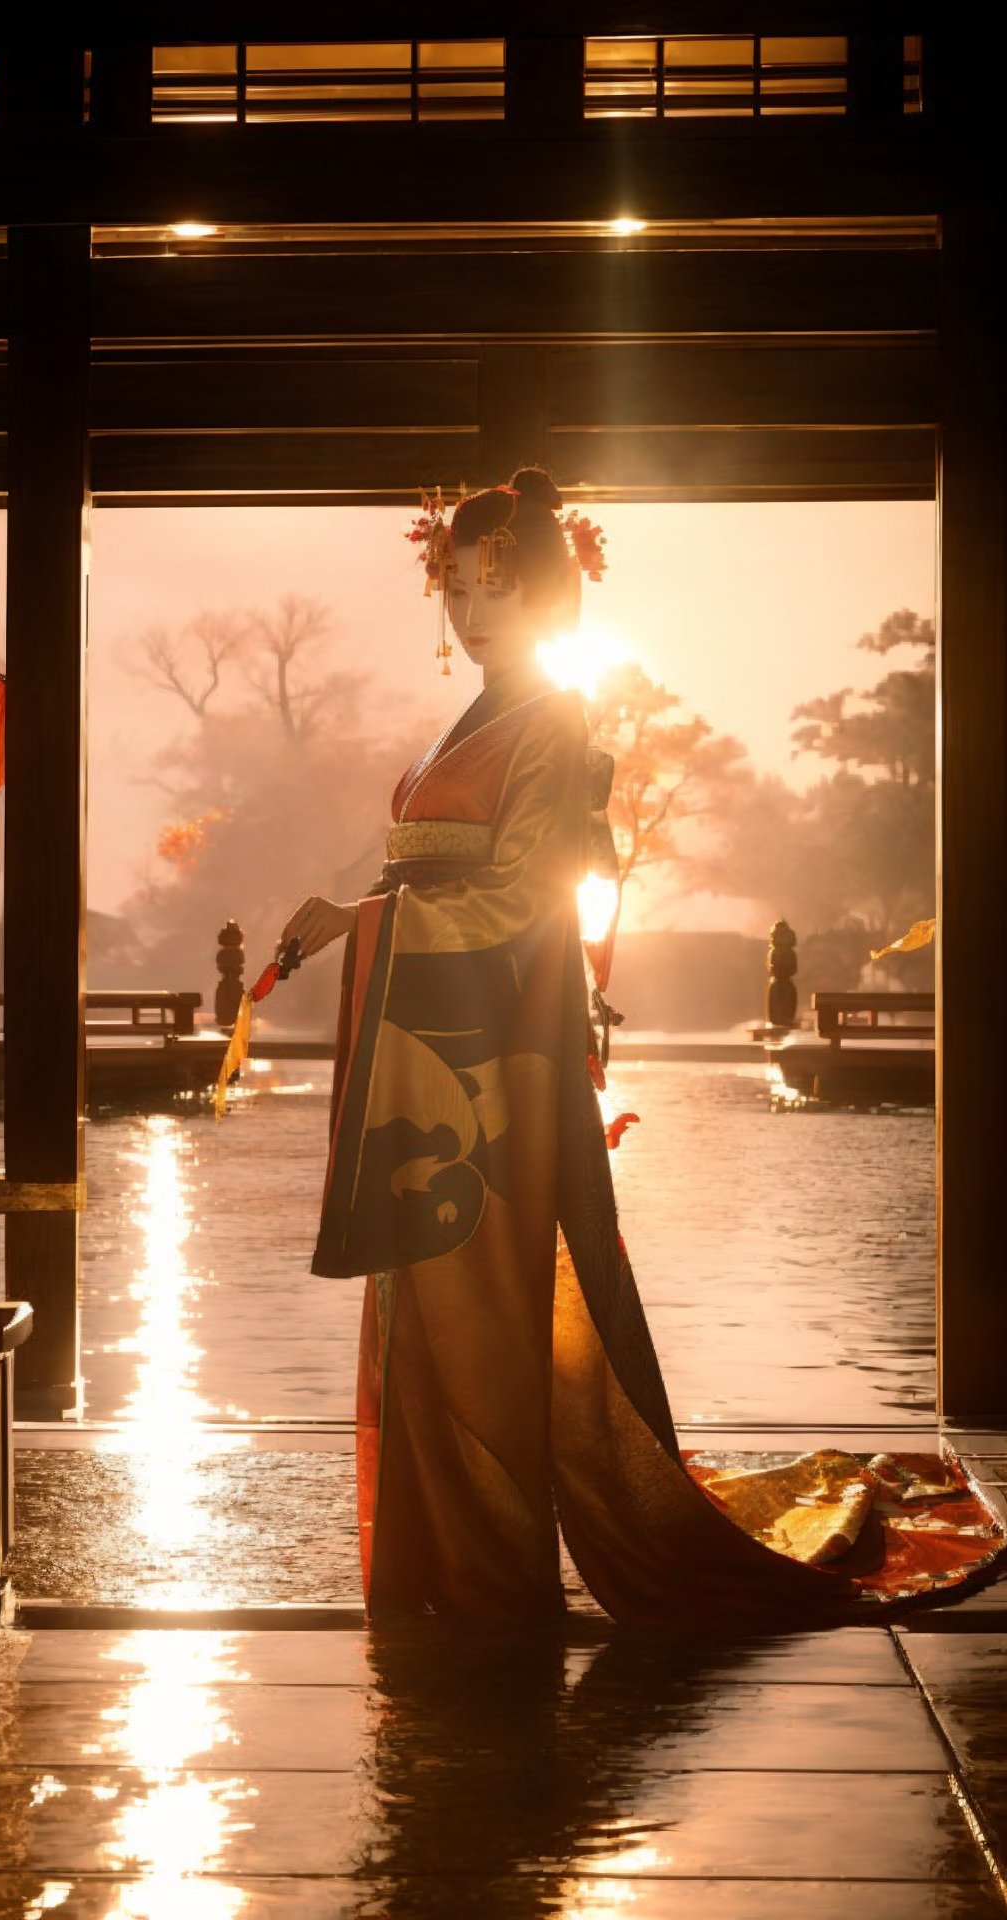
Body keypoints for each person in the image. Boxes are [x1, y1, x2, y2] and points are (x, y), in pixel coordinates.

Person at [279, 467, 1004, 1624]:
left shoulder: (553, 724)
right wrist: (359, 911)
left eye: (497, 593)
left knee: (487, 1322)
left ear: (552, 603)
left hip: (490, 1076)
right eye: (456, 591)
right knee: (426, 1317)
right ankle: (437, 1573)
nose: (471, 617)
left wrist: (363, 919)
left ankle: (491, 1583)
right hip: (436, 1058)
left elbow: (519, 902)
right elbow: (424, 871)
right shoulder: (471, 727)